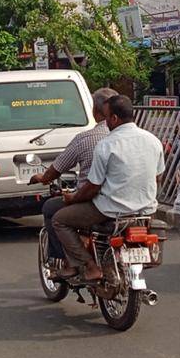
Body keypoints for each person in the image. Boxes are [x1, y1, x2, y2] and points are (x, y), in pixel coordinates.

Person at [53, 95, 165, 281]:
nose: (105, 122)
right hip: (145, 210)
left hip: (111, 209)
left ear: (114, 118)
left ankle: (90, 266)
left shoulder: (106, 145)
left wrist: (73, 198)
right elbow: (157, 177)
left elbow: (92, 188)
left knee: (60, 220)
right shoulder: (153, 140)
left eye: (106, 117)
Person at [30, 87, 117, 270]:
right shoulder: (140, 139)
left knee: (54, 212)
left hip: (101, 203)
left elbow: (90, 186)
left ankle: (71, 262)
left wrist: (45, 178)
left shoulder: (91, 139)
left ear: (95, 112)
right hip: (138, 204)